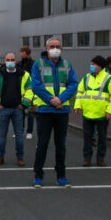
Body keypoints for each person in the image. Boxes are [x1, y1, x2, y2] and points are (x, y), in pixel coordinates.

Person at [30, 37, 80, 188]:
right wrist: (51, 100)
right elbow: (36, 86)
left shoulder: (67, 65)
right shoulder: (38, 64)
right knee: (42, 144)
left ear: (62, 48)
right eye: (52, 46)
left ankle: (61, 175)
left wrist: (61, 99)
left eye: (58, 46)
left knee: (61, 145)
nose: (55, 48)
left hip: (62, 111)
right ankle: (38, 175)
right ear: (46, 48)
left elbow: (73, 85)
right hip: (45, 110)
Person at [74, 55, 111, 167]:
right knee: (87, 137)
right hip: (87, 113)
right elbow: (80, 92)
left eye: (94, 64)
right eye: (91, 64)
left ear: (100, 66)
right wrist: (77, 105)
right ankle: (87, 158)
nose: (91, 66)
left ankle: (100, 158)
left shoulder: (109, 78)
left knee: (102, 138)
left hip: (102, 114)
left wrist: (110, 111)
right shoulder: (86, 77)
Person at [0, 51, 30, 166]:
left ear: (16, 61)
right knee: (2, 135)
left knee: (19, 135)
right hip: (3, 109)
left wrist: (24, 104)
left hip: (18, 109)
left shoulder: (24, 74)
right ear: (5, 61)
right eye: (8, 60)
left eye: (12, 60)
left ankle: (20, 158)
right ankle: (0, 157)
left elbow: (29, 90)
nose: (10, 62)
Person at [17, 46, 35, 140]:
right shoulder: (19, 63)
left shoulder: (33, 64)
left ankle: (29, 131)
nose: (21, 53)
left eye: (22, 51)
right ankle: (20, 130)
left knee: (29, 112)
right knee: (20, 112)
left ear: (27, 53)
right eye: (21, 51)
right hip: (20, 91)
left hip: (30, 91)